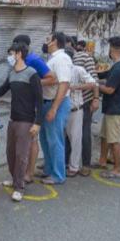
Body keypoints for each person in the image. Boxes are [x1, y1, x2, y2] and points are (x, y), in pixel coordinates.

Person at [0, 41, 42, 201]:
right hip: (13, 120)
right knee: (10, 153)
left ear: (19, 54)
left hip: (26, 121)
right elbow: (1, 91)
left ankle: (19, 187)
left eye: (11, 54)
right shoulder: (12, 73)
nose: (10, 57)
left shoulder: (32, 74)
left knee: (21, 155)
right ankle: (14, 178)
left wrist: (37, 123)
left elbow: (39, 101)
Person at [11, 35, 56, 183]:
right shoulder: (17, 64)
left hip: (32, 108)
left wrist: (32, 82)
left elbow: (51, 78)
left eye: (15, 46)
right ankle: (20, 173)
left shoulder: (34, 60)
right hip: (20, 109)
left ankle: (29, 173)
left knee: (32, 141)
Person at [98, 36, 120, 178]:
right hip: (112, 108)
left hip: (116, 109)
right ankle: (103, 161)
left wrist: (95, 85)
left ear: (112, 49)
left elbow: (110, 89)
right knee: (106, 137)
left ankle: (117, 169)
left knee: (115, 140)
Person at [40, 32, 72, 185]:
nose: (46, 42)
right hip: (47, 102)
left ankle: (58, 175)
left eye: (48, 39)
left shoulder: (62, 59)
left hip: (56, 103)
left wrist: (54, 108)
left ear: (55, 41)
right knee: (46, 139)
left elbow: (64, 84)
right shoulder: (53, 58)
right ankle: (49, 169)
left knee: (55, 140)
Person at [73, 40, 100, 176]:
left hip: (85, 101)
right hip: (70, 103)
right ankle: (68, 163)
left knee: (84, 132)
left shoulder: (85, 57)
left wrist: (95, 99)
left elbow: (94, 80)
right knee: (68, 135)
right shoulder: (62, 58)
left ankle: (86, 164)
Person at [66, 64, 97, 177]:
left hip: (75, 109)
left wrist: (76, 87)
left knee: (75, 139)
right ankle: (62, 165)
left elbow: (93, 83)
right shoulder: (57, 69)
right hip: (61, 110)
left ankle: (74, 167)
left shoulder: (77, 70)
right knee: (61, 139)